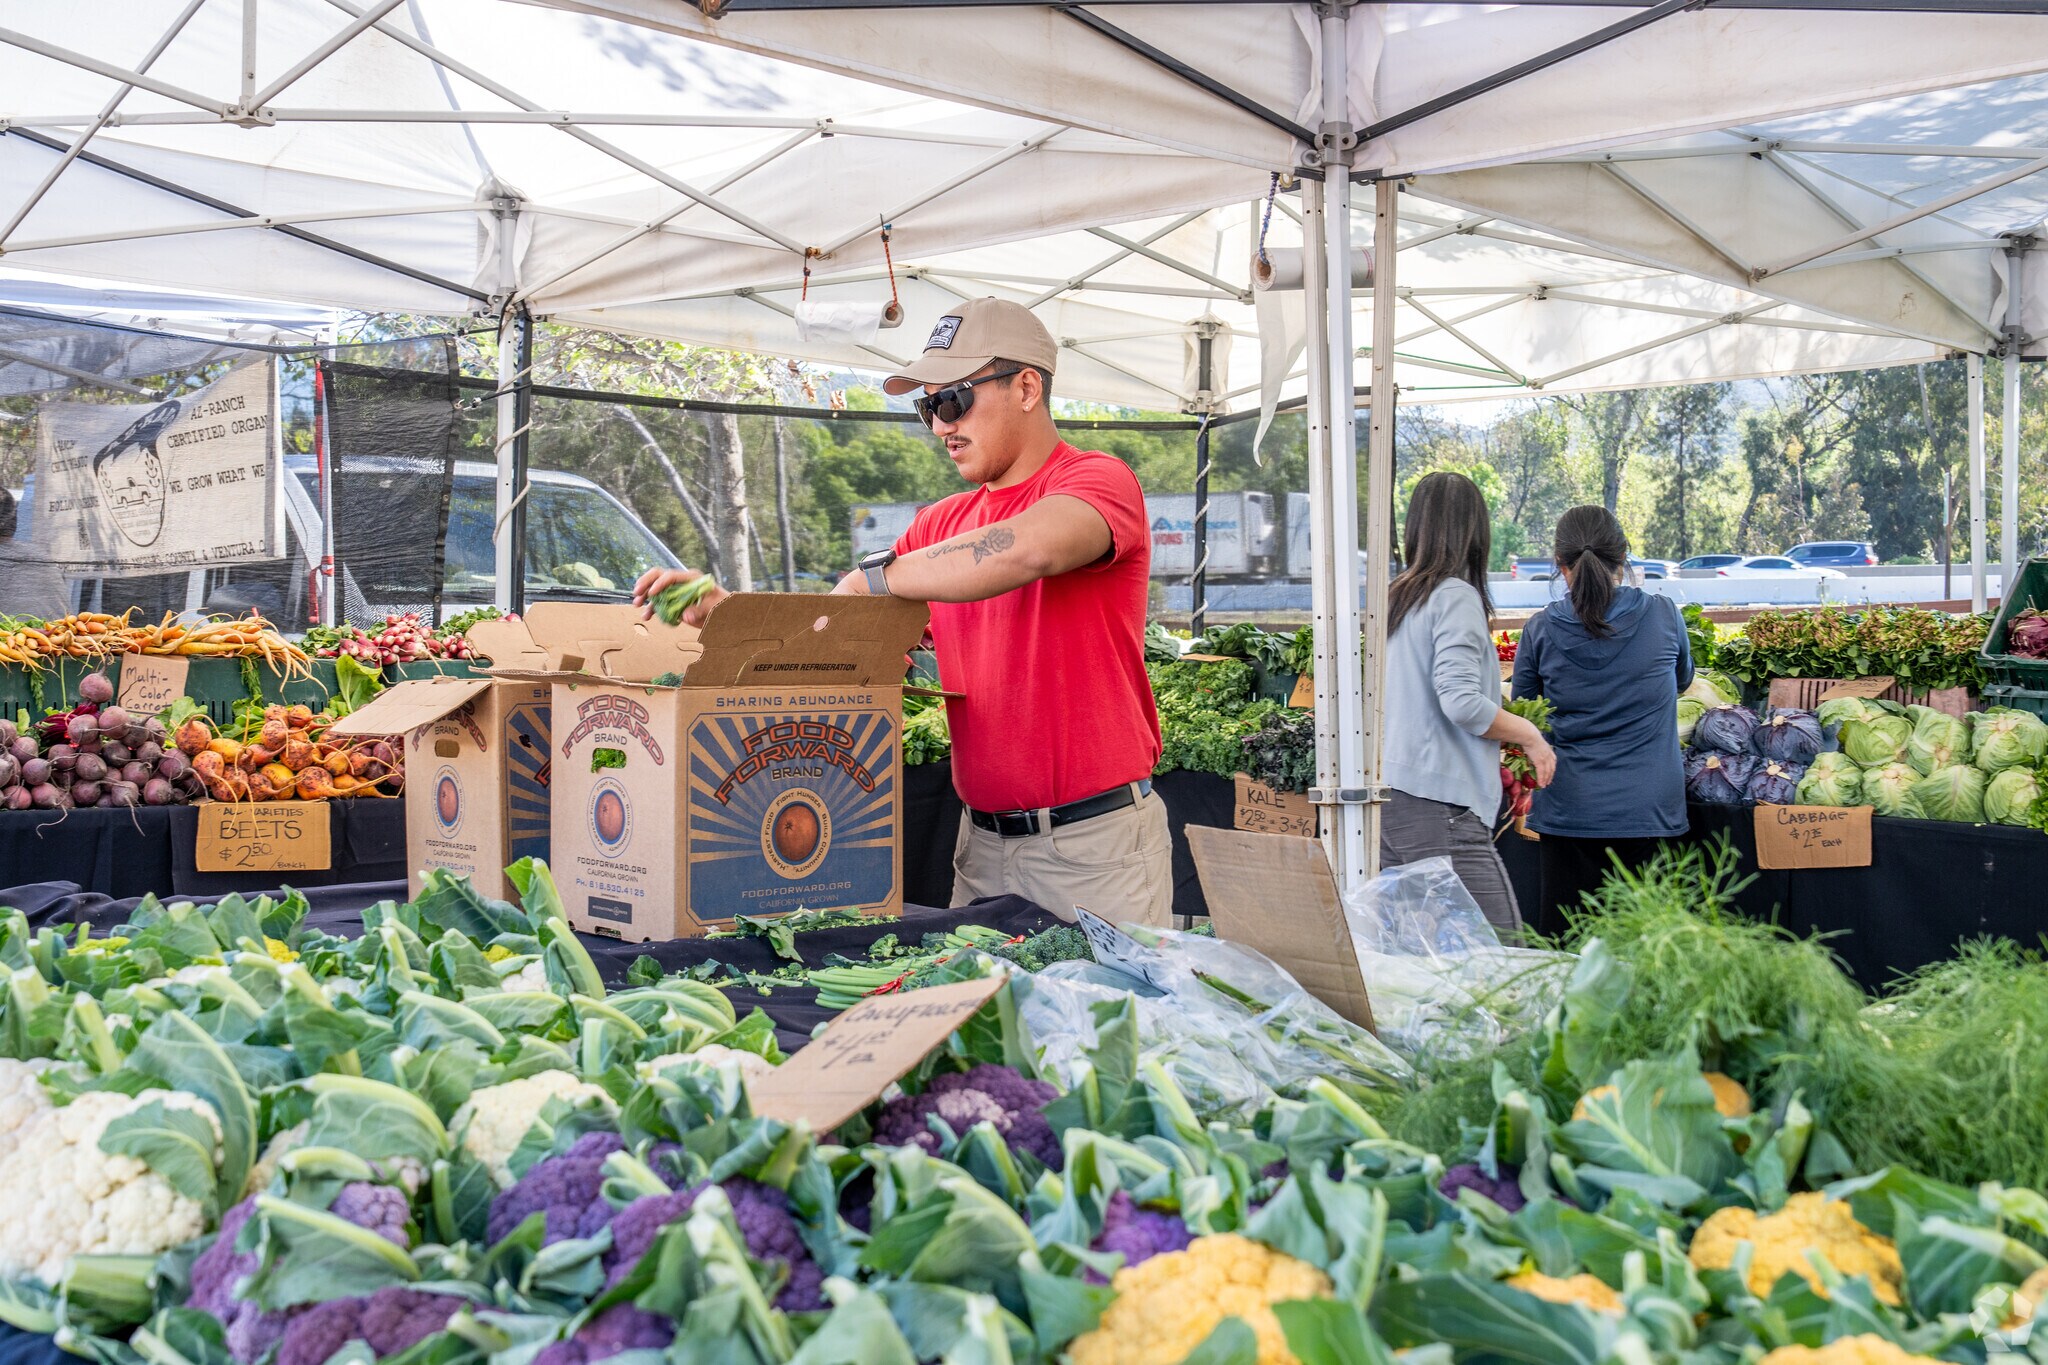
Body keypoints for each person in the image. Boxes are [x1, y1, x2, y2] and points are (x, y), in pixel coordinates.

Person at [633, 298, 1171, 925]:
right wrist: (731, 615)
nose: (940, 427)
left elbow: (1030, 548)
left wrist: (879, 577)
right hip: (981, 847)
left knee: (1106, 1024)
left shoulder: (1096, 480)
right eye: (928, 408)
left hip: (1095, 848)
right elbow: (829, 638)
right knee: (986, 1023)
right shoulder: (938, 525)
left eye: (953, 402)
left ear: (1027, 387)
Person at [1380, 471, 1554, 941]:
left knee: (1418, 953)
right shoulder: (1455, 595)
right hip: (1439, 804)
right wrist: (1530, 735)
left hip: (1393, 796)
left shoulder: (1399, 595)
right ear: (1474, 531)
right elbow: (1460, 702)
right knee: (1505, 946)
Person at [1511, 505, 1693, 936]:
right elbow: (1682, 681)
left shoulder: (1539, 630)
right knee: (1648, 954)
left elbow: (1525, 713)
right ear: (1624, 558)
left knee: (1567, 954)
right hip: (1648, 809)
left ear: (1560, 565)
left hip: (1569, 810)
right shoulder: (1664, 615)